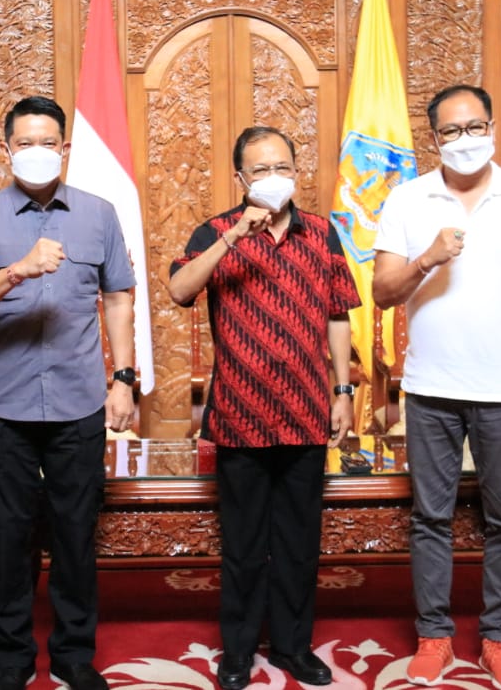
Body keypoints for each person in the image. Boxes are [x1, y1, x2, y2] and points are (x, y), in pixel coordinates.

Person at [370, 85, 501, 690]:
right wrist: (427, 257)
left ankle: (500, 638)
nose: (465, 139)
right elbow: (382, 292)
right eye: (451, 131)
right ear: (435, 139)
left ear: (492, 127)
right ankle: (434, 634)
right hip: (430, 389)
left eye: (475, 127)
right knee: (430, 517)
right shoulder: (408, 199)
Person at [0, 95, 136, 690]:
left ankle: (74, 655)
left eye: (47, 142)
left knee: (76, 536)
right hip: (3, 405)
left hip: (78, 401)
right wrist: (19, 269)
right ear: (6, 149)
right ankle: (11, 660)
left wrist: (124, 379)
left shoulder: (99, 214)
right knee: (8, 539)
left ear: (65, 148)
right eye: (24, 142)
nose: (37, 151)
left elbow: (118, 298)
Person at [168, 125, 359, 690]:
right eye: (261, 169)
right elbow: (180, 289)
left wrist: (343, 390)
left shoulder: (321, 233)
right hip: (240, 414)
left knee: (299, 543)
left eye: (283, 167)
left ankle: (294, 647)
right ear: (240, 178)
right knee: (244, 545)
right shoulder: (214, 231)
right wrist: (235, 237)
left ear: (296, 172)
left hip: (306, 410)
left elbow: (338, 314)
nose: (274, 177)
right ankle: (238, 651)